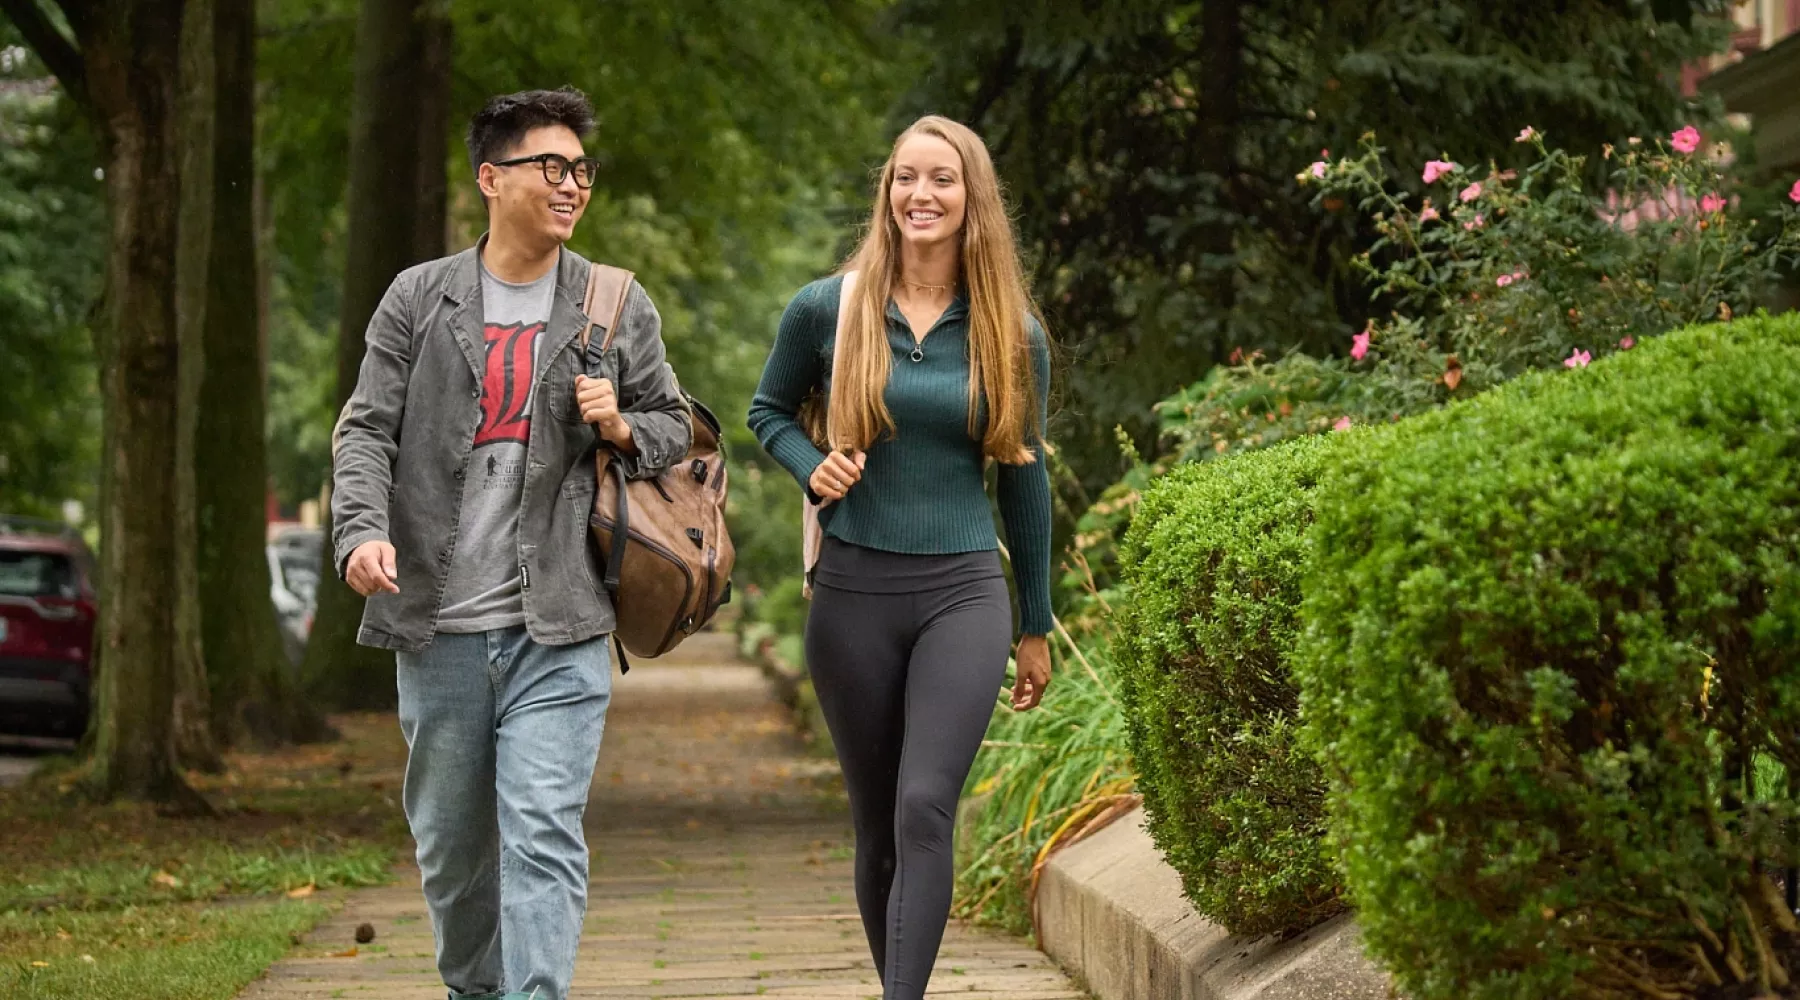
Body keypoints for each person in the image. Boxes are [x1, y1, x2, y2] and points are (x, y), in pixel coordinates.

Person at [330, 86, 692, 1000]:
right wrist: (361, 532)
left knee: (542, 833)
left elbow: (679, 427)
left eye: (582, 170)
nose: (572, 185)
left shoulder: (613, 302)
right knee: (453, 852)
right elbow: (365, 430)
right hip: (439, 628)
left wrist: (622, 426)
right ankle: (475, 990)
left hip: (559, 623)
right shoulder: (419, 297)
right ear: (492, 179)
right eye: (551, 167)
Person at [746, 115, 1054, 1000]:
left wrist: (1035, 621)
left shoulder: (1009, 331)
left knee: (925, 805)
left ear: (972, 198)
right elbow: (767, 412)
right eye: (905, 178)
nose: (921, 194)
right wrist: (813, 467)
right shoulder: (827, 309)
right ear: (888, 194)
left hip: (963, 590)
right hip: (853, 592)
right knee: (879, 824)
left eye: (942, 179)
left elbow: (1024, 477)